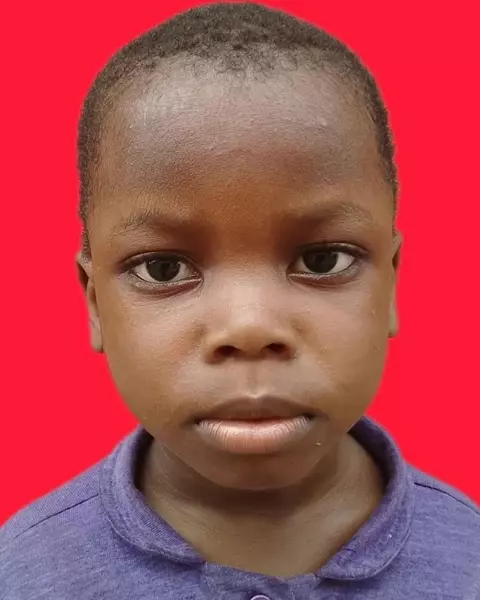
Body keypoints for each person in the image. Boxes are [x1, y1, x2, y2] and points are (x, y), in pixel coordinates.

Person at [1, 3, 478, 598]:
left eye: (323, 261)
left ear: (391, 285)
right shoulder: (24, 573)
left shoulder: (469, 560)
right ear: (95, 304)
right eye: (164, 269)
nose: (249, 327)